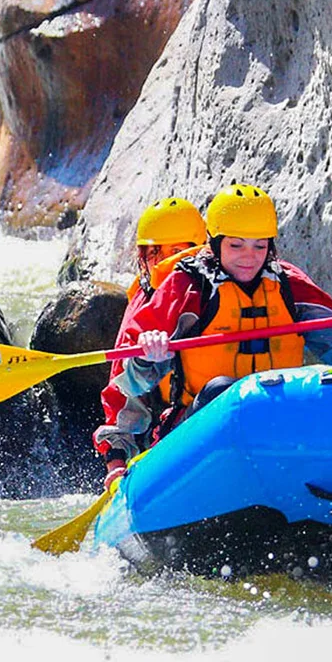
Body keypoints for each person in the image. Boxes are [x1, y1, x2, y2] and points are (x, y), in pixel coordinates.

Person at [108, 184, 332, 484]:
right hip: (199, 429)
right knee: (222, 389)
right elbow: (129, 384)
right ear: (216, 243)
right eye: (236, 245)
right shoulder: (186, 289)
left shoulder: (288, 284)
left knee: (323, 386)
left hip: (278, 421)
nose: (249, 257)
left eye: (259, 246)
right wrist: (148, 357)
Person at [93, 197, 206, 489]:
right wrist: (116, 462)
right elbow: (119, 394)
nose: (165, 263)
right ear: (143, 258)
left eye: (178, 252)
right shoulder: (142, 308)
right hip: (166, 432)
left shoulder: (218, 285)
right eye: (155, 253)